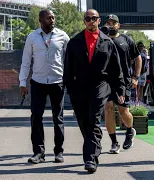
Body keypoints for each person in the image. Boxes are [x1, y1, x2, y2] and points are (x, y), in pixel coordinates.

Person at [63, 9, 125, 173]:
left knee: (93, 120)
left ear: (99, 21)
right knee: (84, 122)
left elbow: (115, 69)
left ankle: (91, 158)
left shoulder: (107, 42)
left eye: (94, 18)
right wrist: (68, 87)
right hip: (79, 87)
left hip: (100, 85)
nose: (91, 21)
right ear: (84, 21)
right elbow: (67, 68)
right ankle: (93, 143)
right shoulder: (74, 42)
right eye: (88, 19)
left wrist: (120, 89)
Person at [19, 9, 69, 164]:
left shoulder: (63, 36)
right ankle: (38, 153)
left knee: (58, 118)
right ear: (40, 20)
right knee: (36, 118)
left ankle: (58, 152)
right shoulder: (32, 37)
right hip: (38, 82)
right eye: (49, 18)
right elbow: (26, 61)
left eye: (53, 17)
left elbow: (69, 59)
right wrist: (22, 82)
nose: (52, 20)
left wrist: (70, 79)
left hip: (57, 82)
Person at [102, 14, 142, 154]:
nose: (110, 25)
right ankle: (114, 143)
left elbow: (138, 58)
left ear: (119, 25)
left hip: (123, 81)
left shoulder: (126, 40)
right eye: (108, 22)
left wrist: (136, 77)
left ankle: (130, 130)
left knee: (123, 111)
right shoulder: (101, 39)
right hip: (106, 81)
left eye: (113, 23)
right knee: (108, 108)